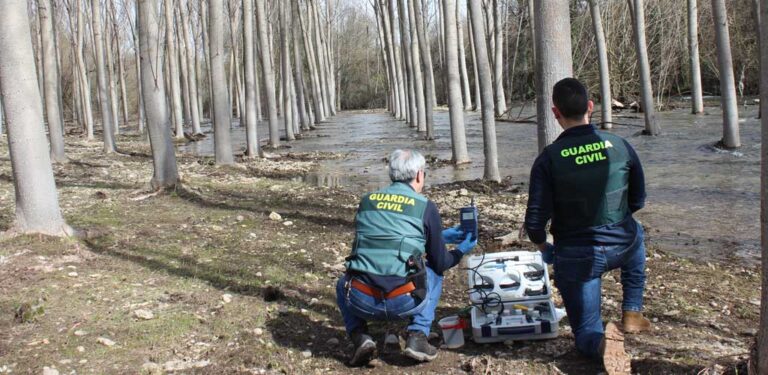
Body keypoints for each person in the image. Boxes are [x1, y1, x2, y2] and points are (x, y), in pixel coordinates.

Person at [521, 78, 650, 374]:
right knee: (638, 233)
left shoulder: (548, 159)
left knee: (586, 332)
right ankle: (632, 310)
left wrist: (544, 247)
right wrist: (616, 220)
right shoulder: (619, 145)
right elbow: (638, 199)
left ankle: (602, 345)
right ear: (590, 107)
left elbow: (535, 222)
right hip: (623, 245)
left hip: (577, 256)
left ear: (556, 113)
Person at [336, 149, 477, 366]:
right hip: (403, 302)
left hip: (360, 300)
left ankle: (360, 337)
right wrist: (460, 250)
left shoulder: (366, 201)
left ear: (391, 174)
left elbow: (387, 237)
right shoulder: (425, 207)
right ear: (419, 175)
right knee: (434, 272)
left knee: (342, 283)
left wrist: (439, 235)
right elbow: (441, 262)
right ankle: (418, 335)